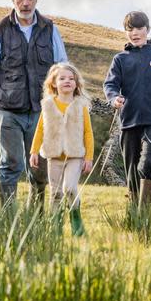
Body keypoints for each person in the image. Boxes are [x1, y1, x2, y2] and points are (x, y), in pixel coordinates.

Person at [0, 0, 68, 206]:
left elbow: (63, 70)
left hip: (42, 110)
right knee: (11, 162)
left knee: (39, 165)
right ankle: (8, 216)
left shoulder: (50, 29)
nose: (25, 3)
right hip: (9, 110)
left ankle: (35, 216)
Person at [104, 11, 151, 212]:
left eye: (138, 28)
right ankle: (133, 213)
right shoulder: (120, 59)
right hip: (129, 122)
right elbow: (110, 85)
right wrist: (113, 98)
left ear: (147, 29)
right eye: (130, 29)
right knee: (131, 170)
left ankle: (145, 213)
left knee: (147, 164)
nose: (134, 33)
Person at [29, 62, 94, 236]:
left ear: (76, 83)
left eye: (71, 78)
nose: (67, 81)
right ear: (53, 83)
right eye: (62, 78)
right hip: (54, 156)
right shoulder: (48, 105)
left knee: (70, 188)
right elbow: (40, 128)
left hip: (74, 156)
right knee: (56, 192)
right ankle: (55, 228)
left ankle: (76, 219)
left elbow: (88, 132)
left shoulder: (81, 105)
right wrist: (34, 151)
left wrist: (88, 157)